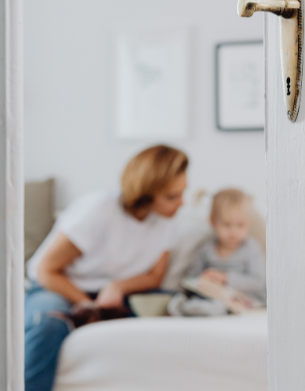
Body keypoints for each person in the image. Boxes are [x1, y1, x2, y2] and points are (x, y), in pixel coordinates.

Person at [24, 145, 188, 391]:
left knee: (177, 305)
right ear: (147, 192)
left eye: (182, 193)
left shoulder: (166, 220)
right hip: (58, 287)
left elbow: (155, 275)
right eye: (172, 197)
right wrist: (89, 305)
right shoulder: (98, 209)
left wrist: (116, 287)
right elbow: (47, 270)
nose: (181, 204)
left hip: (113, 293)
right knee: (47, 324)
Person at [169, 188, 266, 316]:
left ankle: (196, 308)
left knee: (220, 306)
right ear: (213, 222)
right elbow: (193, 276)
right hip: (214, 295)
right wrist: (203, 279)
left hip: (243, 298)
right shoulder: (207, 249)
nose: (233, 231)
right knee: (189, 298)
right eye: (227, 225)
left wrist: (225, 278)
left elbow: (259, 282)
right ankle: (184, 306)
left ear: (248, 224)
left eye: (240, 225)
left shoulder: (251, 248)